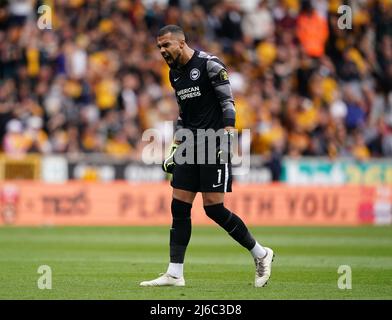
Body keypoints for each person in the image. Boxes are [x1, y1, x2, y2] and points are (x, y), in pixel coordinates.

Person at [140, 25, 274, 288]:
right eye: (159, 47)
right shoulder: (174, 74)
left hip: (214, 142)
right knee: (179, 206)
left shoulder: (210, 64)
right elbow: (184, 115)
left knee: (213, 208)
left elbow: (228, 103)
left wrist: (227, 139)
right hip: (190, 143)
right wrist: (176, 147)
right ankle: (175, 273)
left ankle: (261, 253)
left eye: (166, 45)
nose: (162, 51)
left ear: (181, 42)